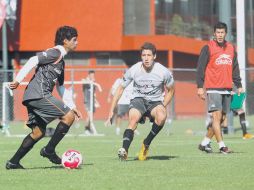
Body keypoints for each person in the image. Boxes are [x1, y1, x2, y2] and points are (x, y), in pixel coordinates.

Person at [6, 26, 82, 169]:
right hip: (39, 94)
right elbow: (33, 60)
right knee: (69, 117)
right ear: (65, 41)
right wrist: (18, 80)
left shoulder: (61, 61)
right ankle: (49, 150)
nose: (77, 42)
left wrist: (72, 106)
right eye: (74, 40)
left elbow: (60, 86)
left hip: (32, 95)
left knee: (38, 132)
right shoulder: (56, 52)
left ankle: (13, 162)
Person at [106, 42, 174, 161]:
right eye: (144, 55)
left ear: (154, 56)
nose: (146, 58)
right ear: (141, 56)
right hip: (138, 100)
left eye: (149, 55)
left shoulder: (163, 71)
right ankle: (124, 150)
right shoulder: (134, 70)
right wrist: (111, 111)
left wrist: (162, 105)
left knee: (162, 116)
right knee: (133, 120)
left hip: (155, 102)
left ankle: (146, 143)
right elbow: (120, 89)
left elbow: (171, 90)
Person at [197, 22, 243, 154]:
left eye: (222, 32)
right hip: (213, 88)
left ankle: (204, 143)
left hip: (227, 88)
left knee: (222, 119)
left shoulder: (231, 48)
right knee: (216, 118)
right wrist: (200, 86)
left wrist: (238, 85)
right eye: (217, 32)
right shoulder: (208, 47)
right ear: (214, 33)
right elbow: (200, 68)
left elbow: (235, 68)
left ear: (226, 33)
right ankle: (222, 146)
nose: (220, 35)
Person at [107, 71, 139, 135]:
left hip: (130, 101)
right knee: (119, 116)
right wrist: (109, 97)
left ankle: (133, 129)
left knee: (132, 117)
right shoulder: (119, 81)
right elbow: (112, 88)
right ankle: (117, 129)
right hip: (121, 101)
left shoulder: (132, 81)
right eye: (125, 73)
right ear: (123, 74)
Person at [82, 70, 102, 135]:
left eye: (93, 75)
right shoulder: (86, 80)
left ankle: (89, 129)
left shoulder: (93, 82)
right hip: (87, 101)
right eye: (91, 75)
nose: (93, 76)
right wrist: (89, 80)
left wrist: (96, 101)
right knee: (89, 116)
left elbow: (93, 93)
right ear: (89, 75)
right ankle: (86, 129)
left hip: (92, 100)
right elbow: (83, 82)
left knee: (91, 116)